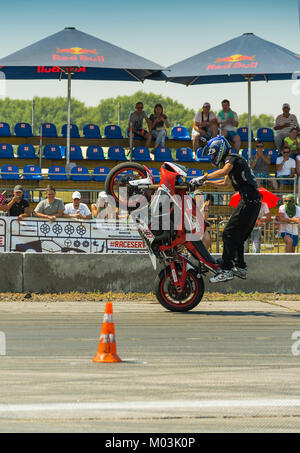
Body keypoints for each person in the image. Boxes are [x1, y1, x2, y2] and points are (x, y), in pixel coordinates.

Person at [190, 136, 261, 283]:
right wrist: (207, 182)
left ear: (220, 149)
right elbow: (225, 183)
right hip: (252, 201)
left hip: (249, 201)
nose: (212, 156)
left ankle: (227, 269)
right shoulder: (232, 161)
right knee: (238, 237)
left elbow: (224, 172)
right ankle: (240, 267)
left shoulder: (232, 158)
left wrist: (202, 178)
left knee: (228, 233)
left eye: (213, 153)